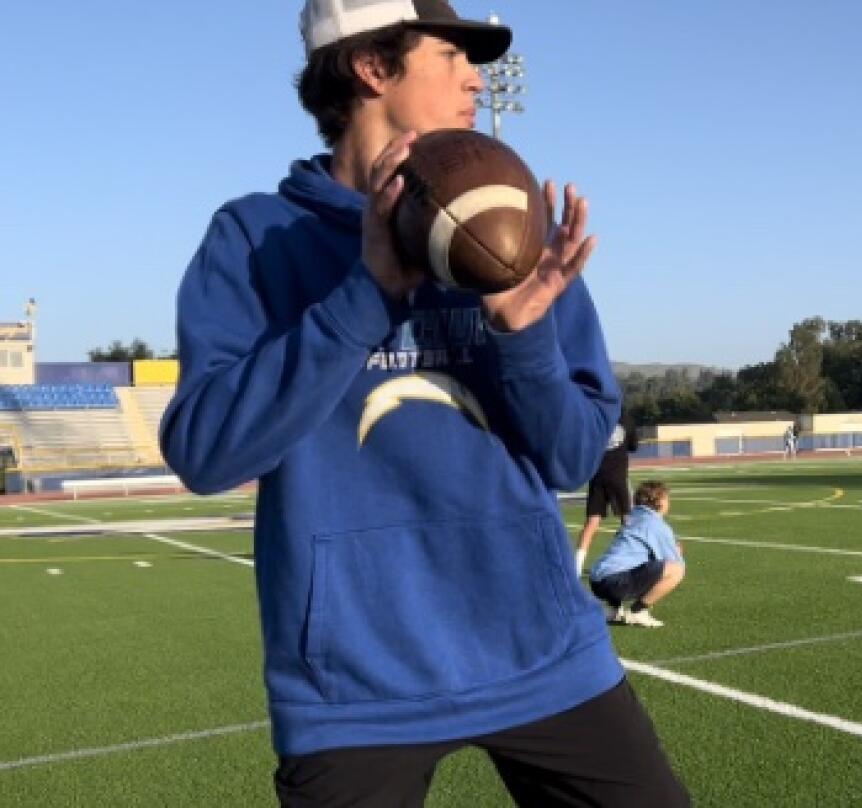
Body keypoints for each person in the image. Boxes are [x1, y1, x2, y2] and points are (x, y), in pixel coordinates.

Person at [159, 2, 689, 805]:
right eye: (450, 55)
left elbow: (574, 455)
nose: (477, 77)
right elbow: (205, 454)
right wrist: (363, 298)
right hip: (355, 690)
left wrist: (522, 334)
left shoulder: (514, 224)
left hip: (543, 655)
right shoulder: (256, 239)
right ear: (372, 68)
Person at [589, 481, 685, 628]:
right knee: (677, 570)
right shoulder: (657, 525)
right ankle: (638, 612)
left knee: (632, 561)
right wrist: (677, 551)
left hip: (596, 582)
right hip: (614, 583)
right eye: (667, 498)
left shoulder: (632, 518)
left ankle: (613, 610)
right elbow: (672, 560)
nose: (668, 502)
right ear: (659, 501)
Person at [574, 411, 639, 575]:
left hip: (597, 476)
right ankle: (632, 561)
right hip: (618, 477)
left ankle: (577, 566)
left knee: (592, 521)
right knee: (628, 520)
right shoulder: (626, 419)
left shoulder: (595, 417)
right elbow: (633, 446)